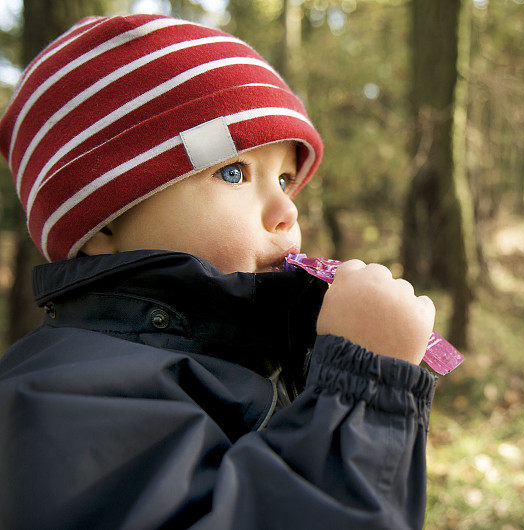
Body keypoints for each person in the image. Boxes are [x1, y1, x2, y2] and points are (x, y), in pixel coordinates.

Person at [0, 13, 437, 529]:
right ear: (104, 222)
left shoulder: (237, 356)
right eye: (234, 172)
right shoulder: (65, 402)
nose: (287, 210)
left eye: (286, 178)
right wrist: (361, 392)